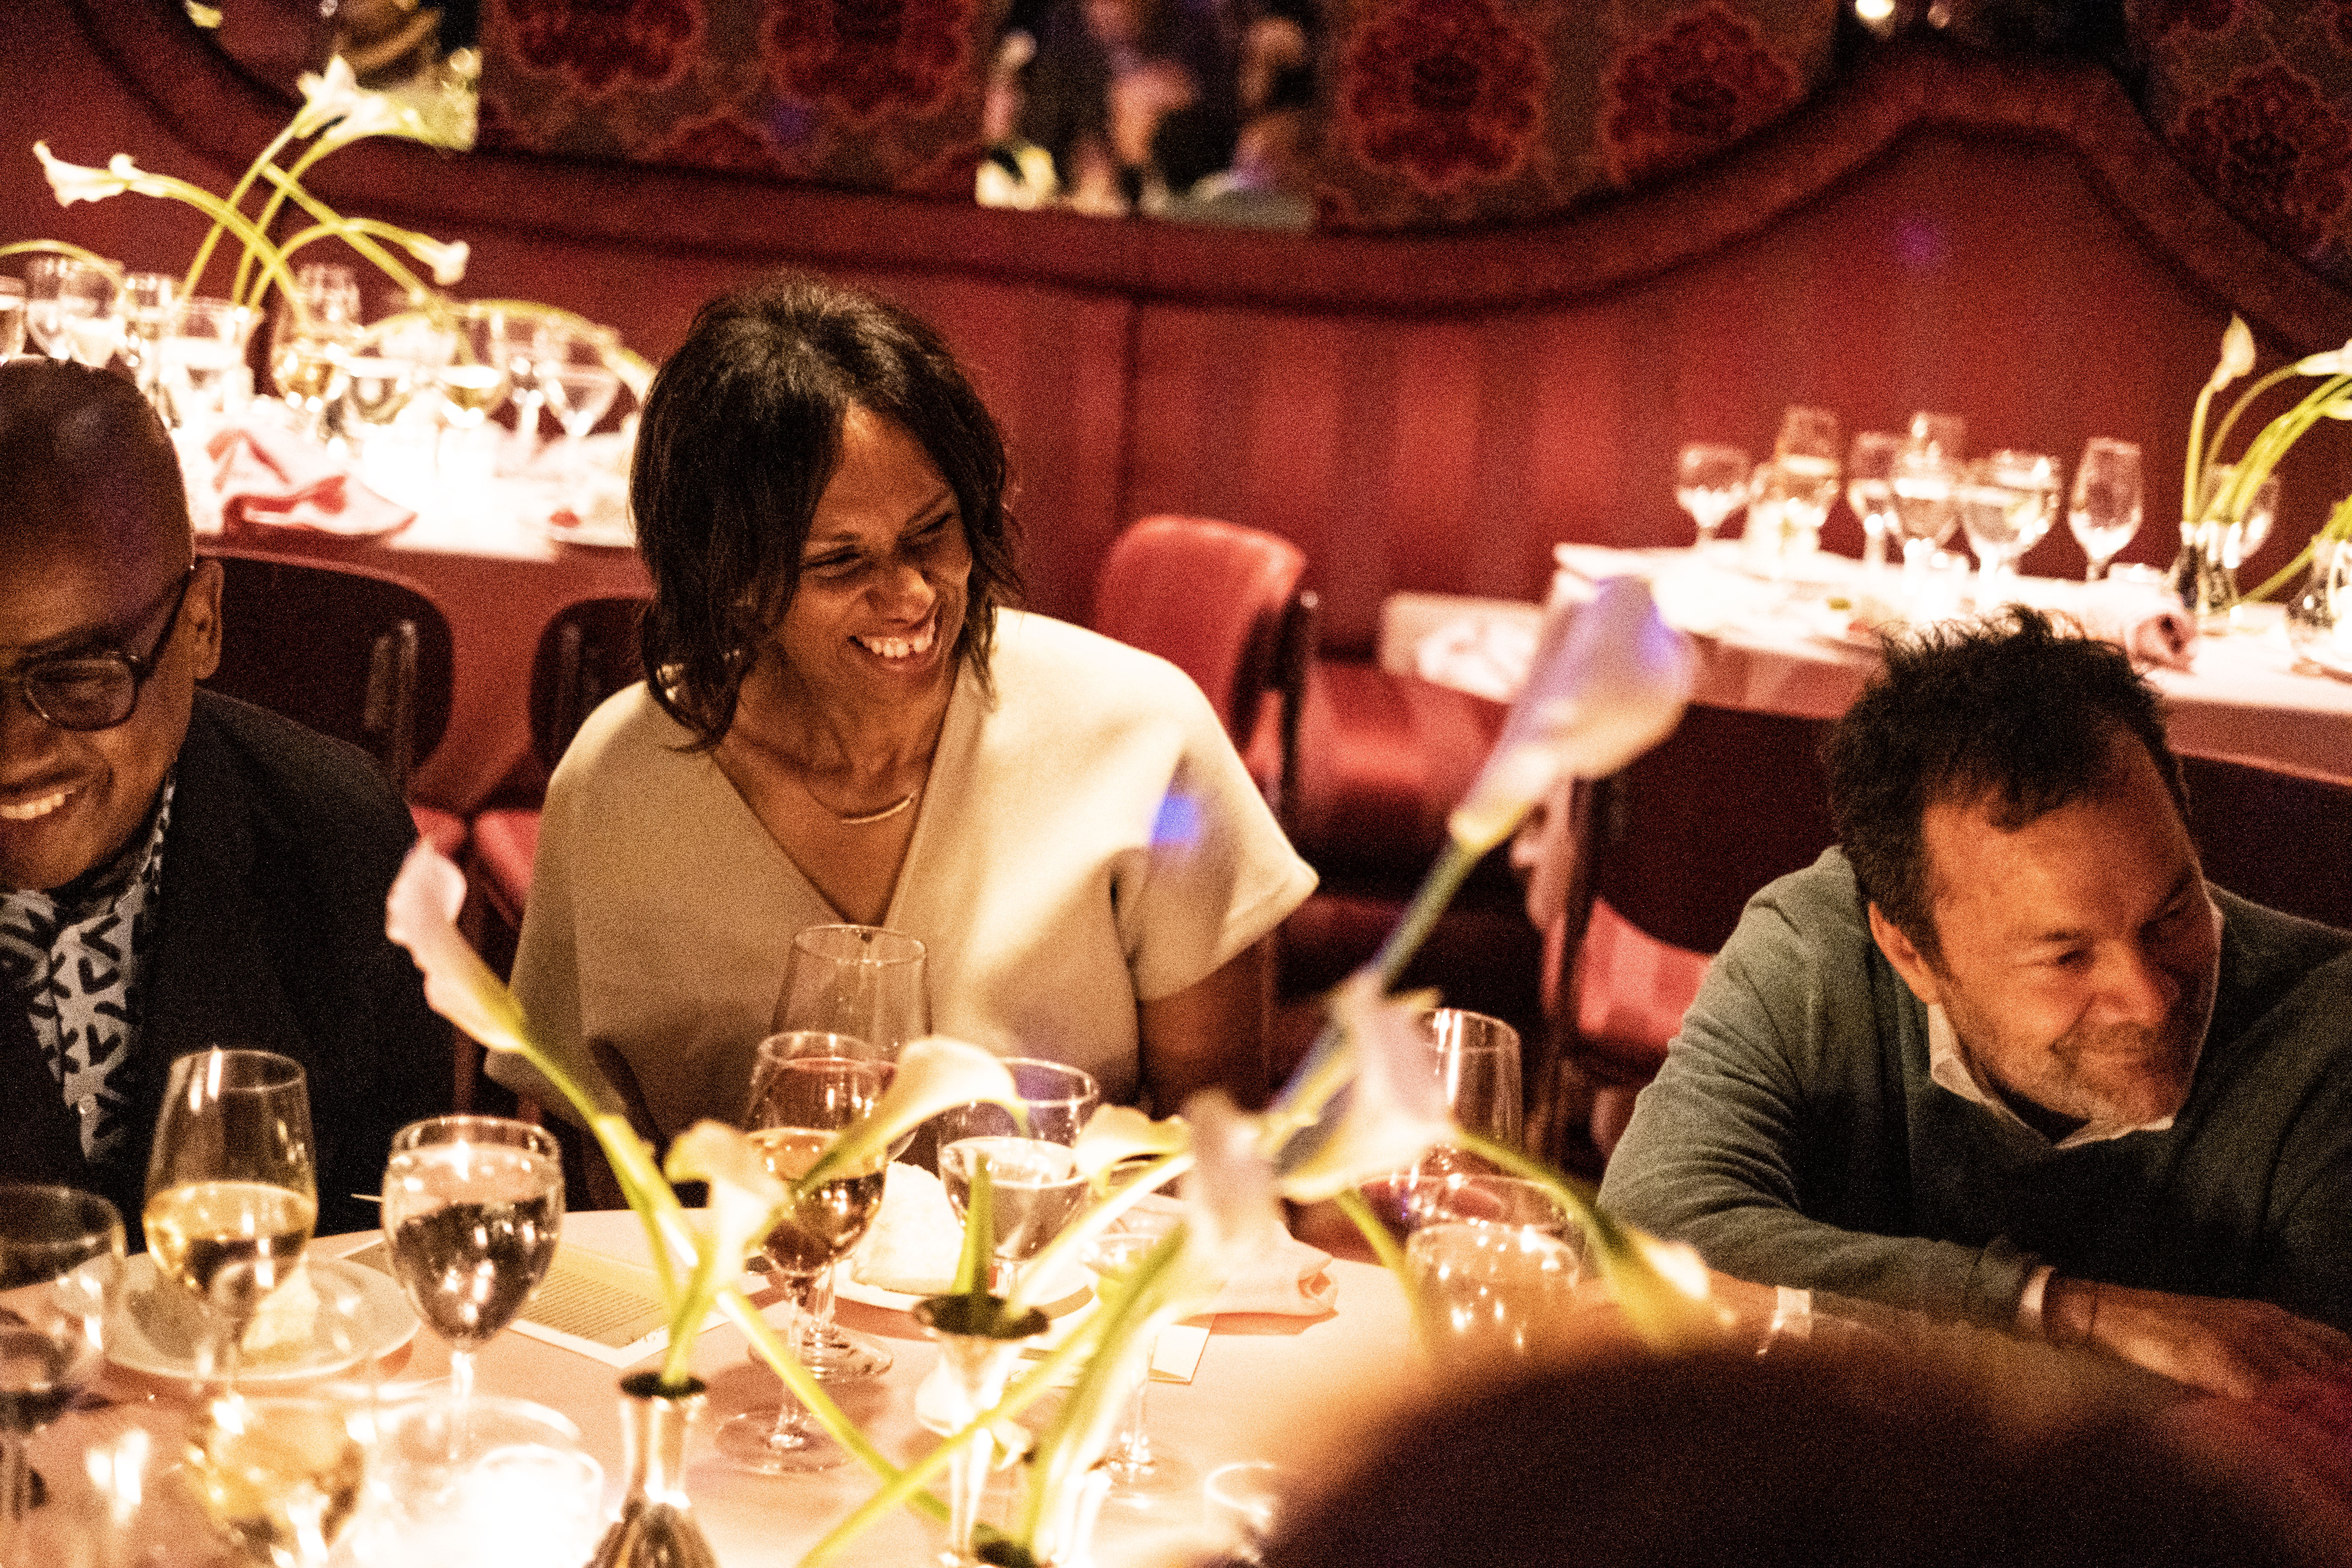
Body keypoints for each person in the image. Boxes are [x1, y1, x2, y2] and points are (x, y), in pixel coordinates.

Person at [499, 274, 1315, 1148]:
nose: (913, 594)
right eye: (841, 563)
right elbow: (584, 1154)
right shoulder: (620, 781)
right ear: (732, 584)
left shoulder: (1145, 741)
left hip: (1055, 1280)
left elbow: (1216, 1145)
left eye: (933, 533)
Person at [1600, 608, 2352, 1399]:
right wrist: (2063, 1309)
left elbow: (2312, 1431)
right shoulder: (1816, 953)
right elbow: (1648, 1227)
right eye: (2067, 956)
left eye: (2172, 913)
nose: (2149, 997)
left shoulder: (2330, 1037)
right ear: (1910, 952)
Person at [0, 358, 449, 1237]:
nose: (13, 750)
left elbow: (387, 1244)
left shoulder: (337, 843)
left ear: (202, 623)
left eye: (80, 676)